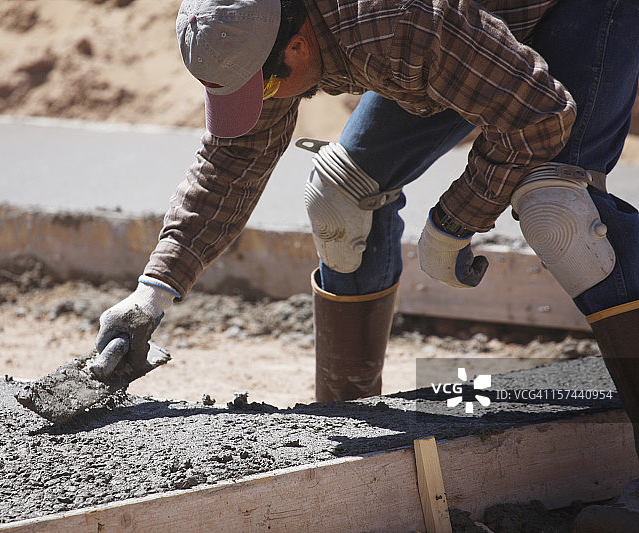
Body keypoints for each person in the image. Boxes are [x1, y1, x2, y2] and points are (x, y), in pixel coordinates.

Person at [93, 0, 639, 526]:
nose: (261, 102)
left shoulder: (395, 23)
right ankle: (349, 424)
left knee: (560, 216)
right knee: (340, 198)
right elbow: (231, 161)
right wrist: (153, 291)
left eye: (264, 87)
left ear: (300, 45)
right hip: (468, 38)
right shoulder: (265, 27)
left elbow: (538, 115)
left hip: (576, 12)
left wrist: (454, 220)